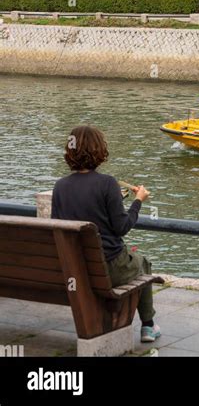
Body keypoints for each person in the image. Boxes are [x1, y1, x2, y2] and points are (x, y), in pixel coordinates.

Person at [51, 125, 160, 343]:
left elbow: (59, 224)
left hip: (75, 268)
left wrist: (115, 199)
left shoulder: (60, 186)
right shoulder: (107, 183)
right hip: (108, 268)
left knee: (132, 261)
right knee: (143, 262)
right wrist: (138, 201)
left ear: (70, 151)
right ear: (99, 150)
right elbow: (122, 228)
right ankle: (148, 326)